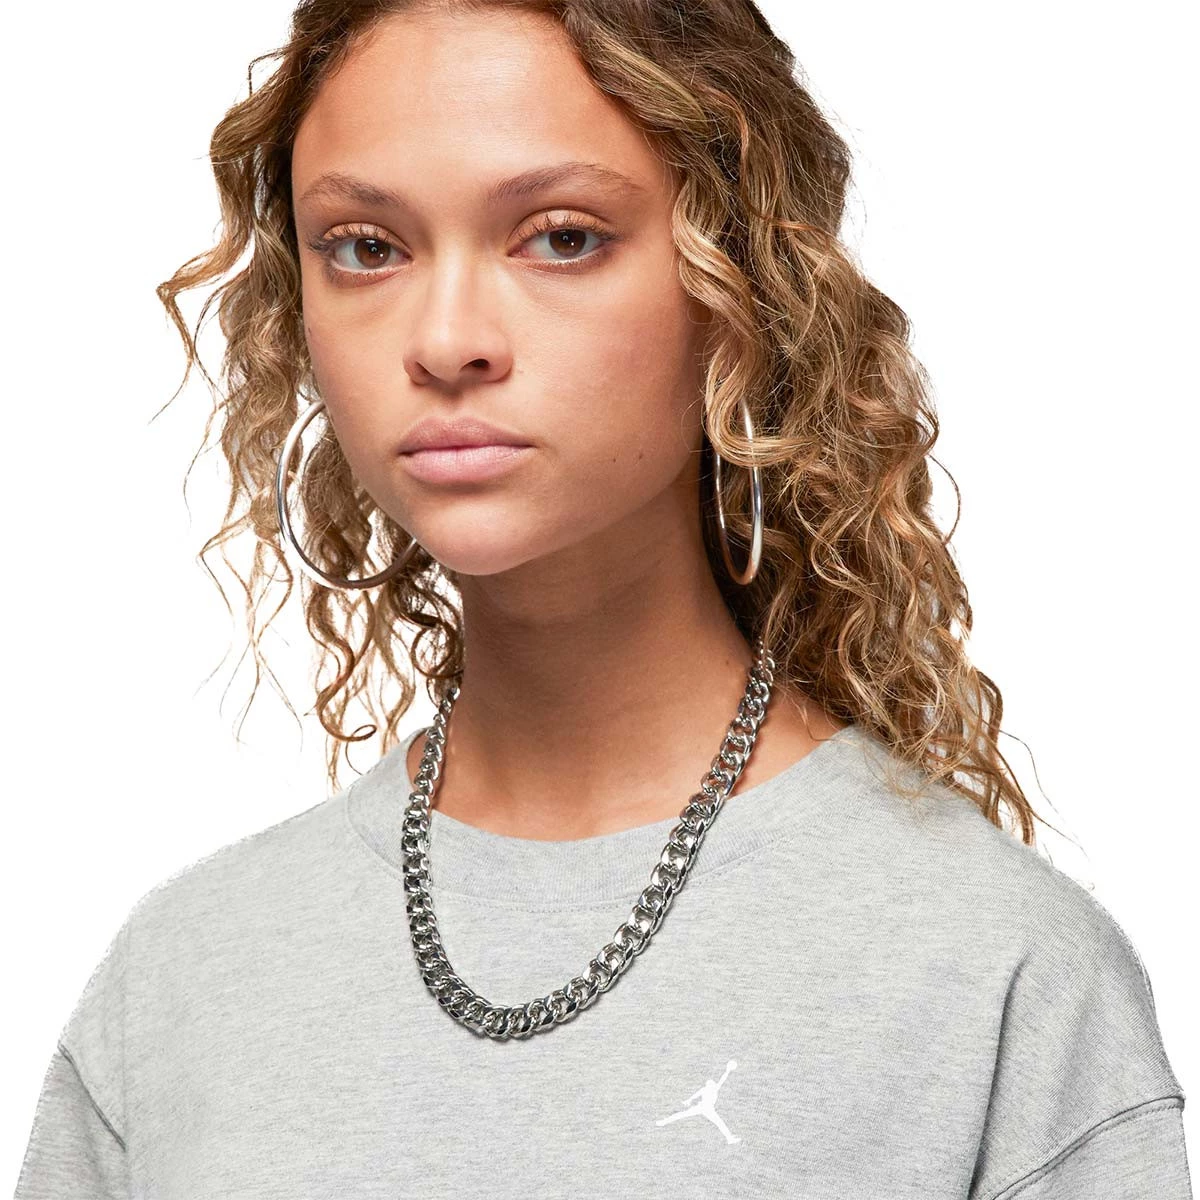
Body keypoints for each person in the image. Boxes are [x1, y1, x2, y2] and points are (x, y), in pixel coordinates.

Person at [14, 1, 1191, 1196]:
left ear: (739, 285)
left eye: (561, 237)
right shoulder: (179, 983)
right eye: (367, 247)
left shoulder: (994, 971)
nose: (447, 340)